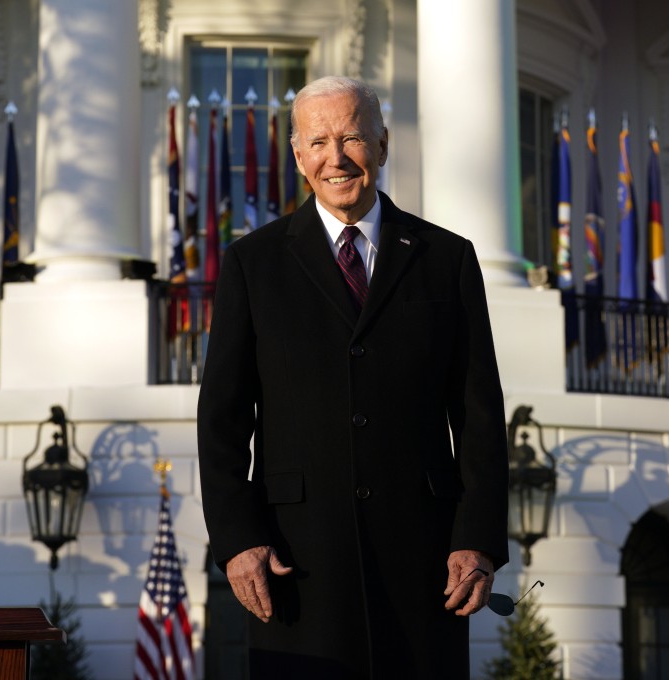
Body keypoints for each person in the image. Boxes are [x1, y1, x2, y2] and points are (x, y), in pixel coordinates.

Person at [197, 75, 510, 679]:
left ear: (382, 144)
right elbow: (223, 421)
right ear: (298, 157)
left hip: (425, 559)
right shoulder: (252, 264)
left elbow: (478, 413)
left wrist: (477, 537)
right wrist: (237, 540)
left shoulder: (447, 258)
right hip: (295, 560)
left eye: (352, 138)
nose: (335, 158)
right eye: (317, 142)